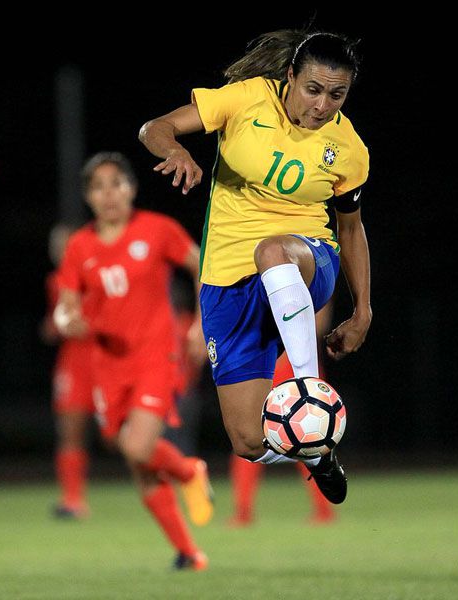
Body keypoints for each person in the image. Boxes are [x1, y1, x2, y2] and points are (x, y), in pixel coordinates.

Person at [138, 30, 372, 505]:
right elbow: (154, 128)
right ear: (290, 77)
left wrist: (362, 310)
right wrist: (176, 150)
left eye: (337, 94)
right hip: (227, 281)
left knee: (272, 250)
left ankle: (310, 391)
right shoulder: (245, 101)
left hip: (306, 259)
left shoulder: (348, 148)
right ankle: (316, 451)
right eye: (313, 89)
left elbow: (350, 231)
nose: (323, 105)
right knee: (247, 440)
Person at [55, 152, 214, 571]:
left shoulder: (156, 229)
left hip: (155, 356)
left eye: (116, 183)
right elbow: (68, 304)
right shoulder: (79, 246)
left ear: (132, 189)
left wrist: (200, 324)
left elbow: (201, 264)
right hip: (107, 364)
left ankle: (186, 470)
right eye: (99, 186)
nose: (109, 194)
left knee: (138, 445)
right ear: (88, 196)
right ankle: (188, 550)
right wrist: (66, 319)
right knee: (135, 459)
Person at [229, 303, 337, 526]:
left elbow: (320, 323)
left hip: (294, 366)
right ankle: (243, 512)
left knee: (308, 439)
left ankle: (324, 509)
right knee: (252, 437)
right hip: (266, 363)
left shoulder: (306, 273)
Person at [41, 223, 95, 519]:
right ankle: (73, 500)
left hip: (103, 358)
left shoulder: (98, 273)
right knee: (70, 430)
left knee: (122, 435)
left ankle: (176, 475)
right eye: (58, 246)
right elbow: (55, 325)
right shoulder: (56, 281)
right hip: (73, 363)